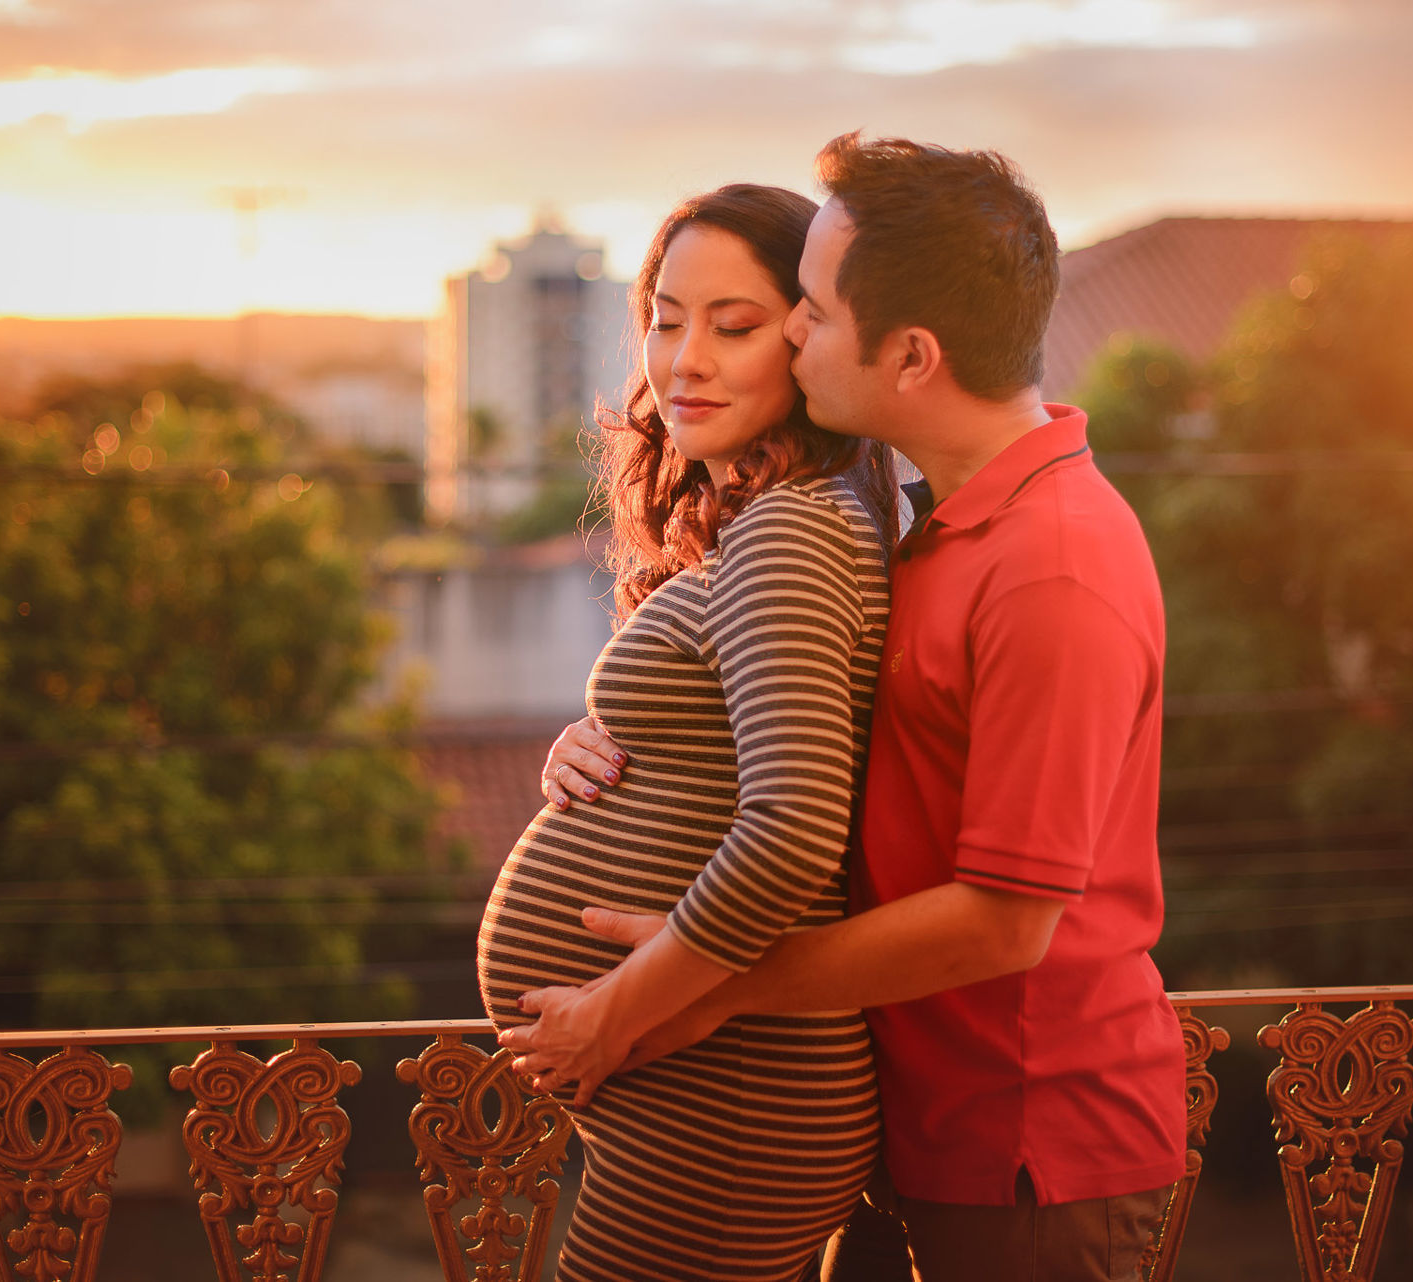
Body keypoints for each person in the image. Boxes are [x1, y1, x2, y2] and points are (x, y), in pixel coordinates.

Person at [504, 134, 1186, 1282]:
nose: (792, 334)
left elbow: (1006, 919)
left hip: (1028, 1147)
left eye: (804, 311)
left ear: (911, 356)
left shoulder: (1052, 564)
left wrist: (677, 991)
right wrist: (632, 744)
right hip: (910, 1114)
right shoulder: (931, 524)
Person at [476, 182, 899, 1282]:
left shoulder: (790, 535)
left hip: (734, 1097)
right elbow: (741, 747)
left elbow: (794, 830)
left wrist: (612, 1015)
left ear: (807, 342)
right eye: (666, 317)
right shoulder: (776, 527)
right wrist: (608, 750)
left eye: (735, 325)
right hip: (709, 1094)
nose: (685, 359)